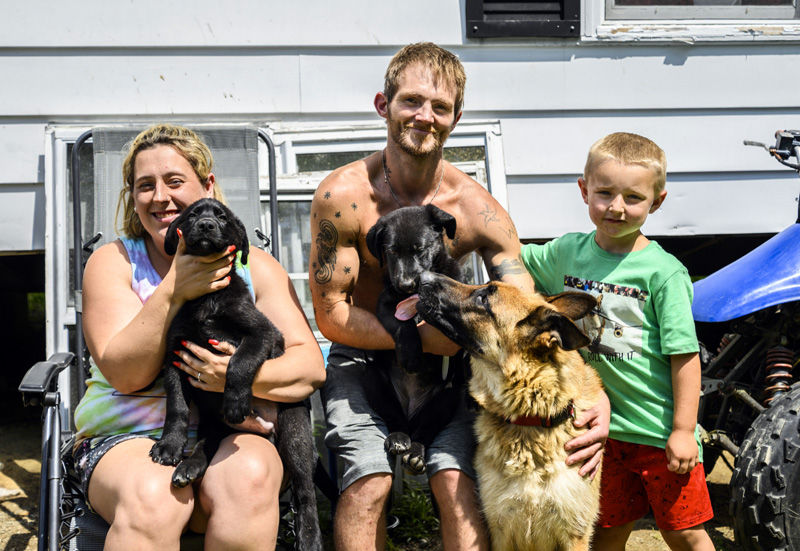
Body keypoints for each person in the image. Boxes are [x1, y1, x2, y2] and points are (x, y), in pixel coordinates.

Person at [309, 42, 609, 551]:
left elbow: (530, 314)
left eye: (440, 107)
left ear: (456, 117)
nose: (424, 116)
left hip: (448, 375)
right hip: (362, 359)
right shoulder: (343, 197)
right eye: (411, 101)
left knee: (456, 482)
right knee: (367, 482)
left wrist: (590, 393)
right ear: (385, 105)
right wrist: (422, 339)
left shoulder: (476, 210)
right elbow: (333, 315)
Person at [73, 123, 326, 550]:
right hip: (125, 437)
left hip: (224, 428)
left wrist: (232, 376)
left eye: (174, 181)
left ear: (206, 185)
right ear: (132, 198)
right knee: (156, 496)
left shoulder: (255, 266)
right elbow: (125, 374)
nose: (160, 197)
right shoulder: (113, 262)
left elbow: (309, 368)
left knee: (252, 476)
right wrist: (175, 288)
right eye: (144, 186)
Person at [521, 132, 715, 551]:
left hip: (657, 431)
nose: (616, 208)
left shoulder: (664, 273)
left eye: (633, 197)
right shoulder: (565, 254)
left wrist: (683, 430)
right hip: (598, 433)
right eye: (605, 193)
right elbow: (512, 257)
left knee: (684, 532)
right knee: (606, 530)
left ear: (657, 202)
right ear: (583, 190)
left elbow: (685, 357)